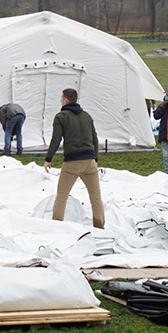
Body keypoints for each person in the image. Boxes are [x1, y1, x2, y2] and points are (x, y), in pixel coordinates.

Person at [44, 88, 104, 229]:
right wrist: (95, 158)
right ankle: (100, 227)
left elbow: (56, 139)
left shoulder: (61, 117)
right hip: (89, 161)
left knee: (61, 196)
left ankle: (57, 227)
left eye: (61, 98)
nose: (60, 100)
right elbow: (95, 139)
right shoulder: (87, 116)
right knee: (95, 198)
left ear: (65, 100)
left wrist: (48, 158)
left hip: (72, 162)